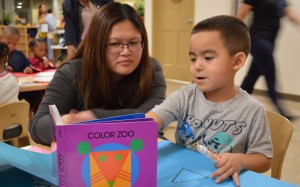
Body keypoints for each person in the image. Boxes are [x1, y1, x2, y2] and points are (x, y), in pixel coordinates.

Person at [146, 15, 272, 186]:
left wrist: (241, 161)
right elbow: (151, 120)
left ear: (237, 61)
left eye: (208, 58)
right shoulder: (184, 96)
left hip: (222, 180)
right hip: (182, 175)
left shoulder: (252, 110)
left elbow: (264, 159)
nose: (197, 66)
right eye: (193, 58)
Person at [29, 2, 166, 146]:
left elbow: (151, 120)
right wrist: (67, 121)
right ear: (97, 45)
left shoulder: (151, 68)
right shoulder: (71, 72)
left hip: (139, 154)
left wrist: (89, 117)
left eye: (134, 42)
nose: (126, 52)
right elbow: (37, 126)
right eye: (115, 43)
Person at [236, 0, 300, 120]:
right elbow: (240, 16)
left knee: (252, 76)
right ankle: (282, 111)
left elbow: (289, 14)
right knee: (271, 76)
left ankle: (235, 104)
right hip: (257, 39)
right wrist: (227, 33)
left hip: (270, 42)